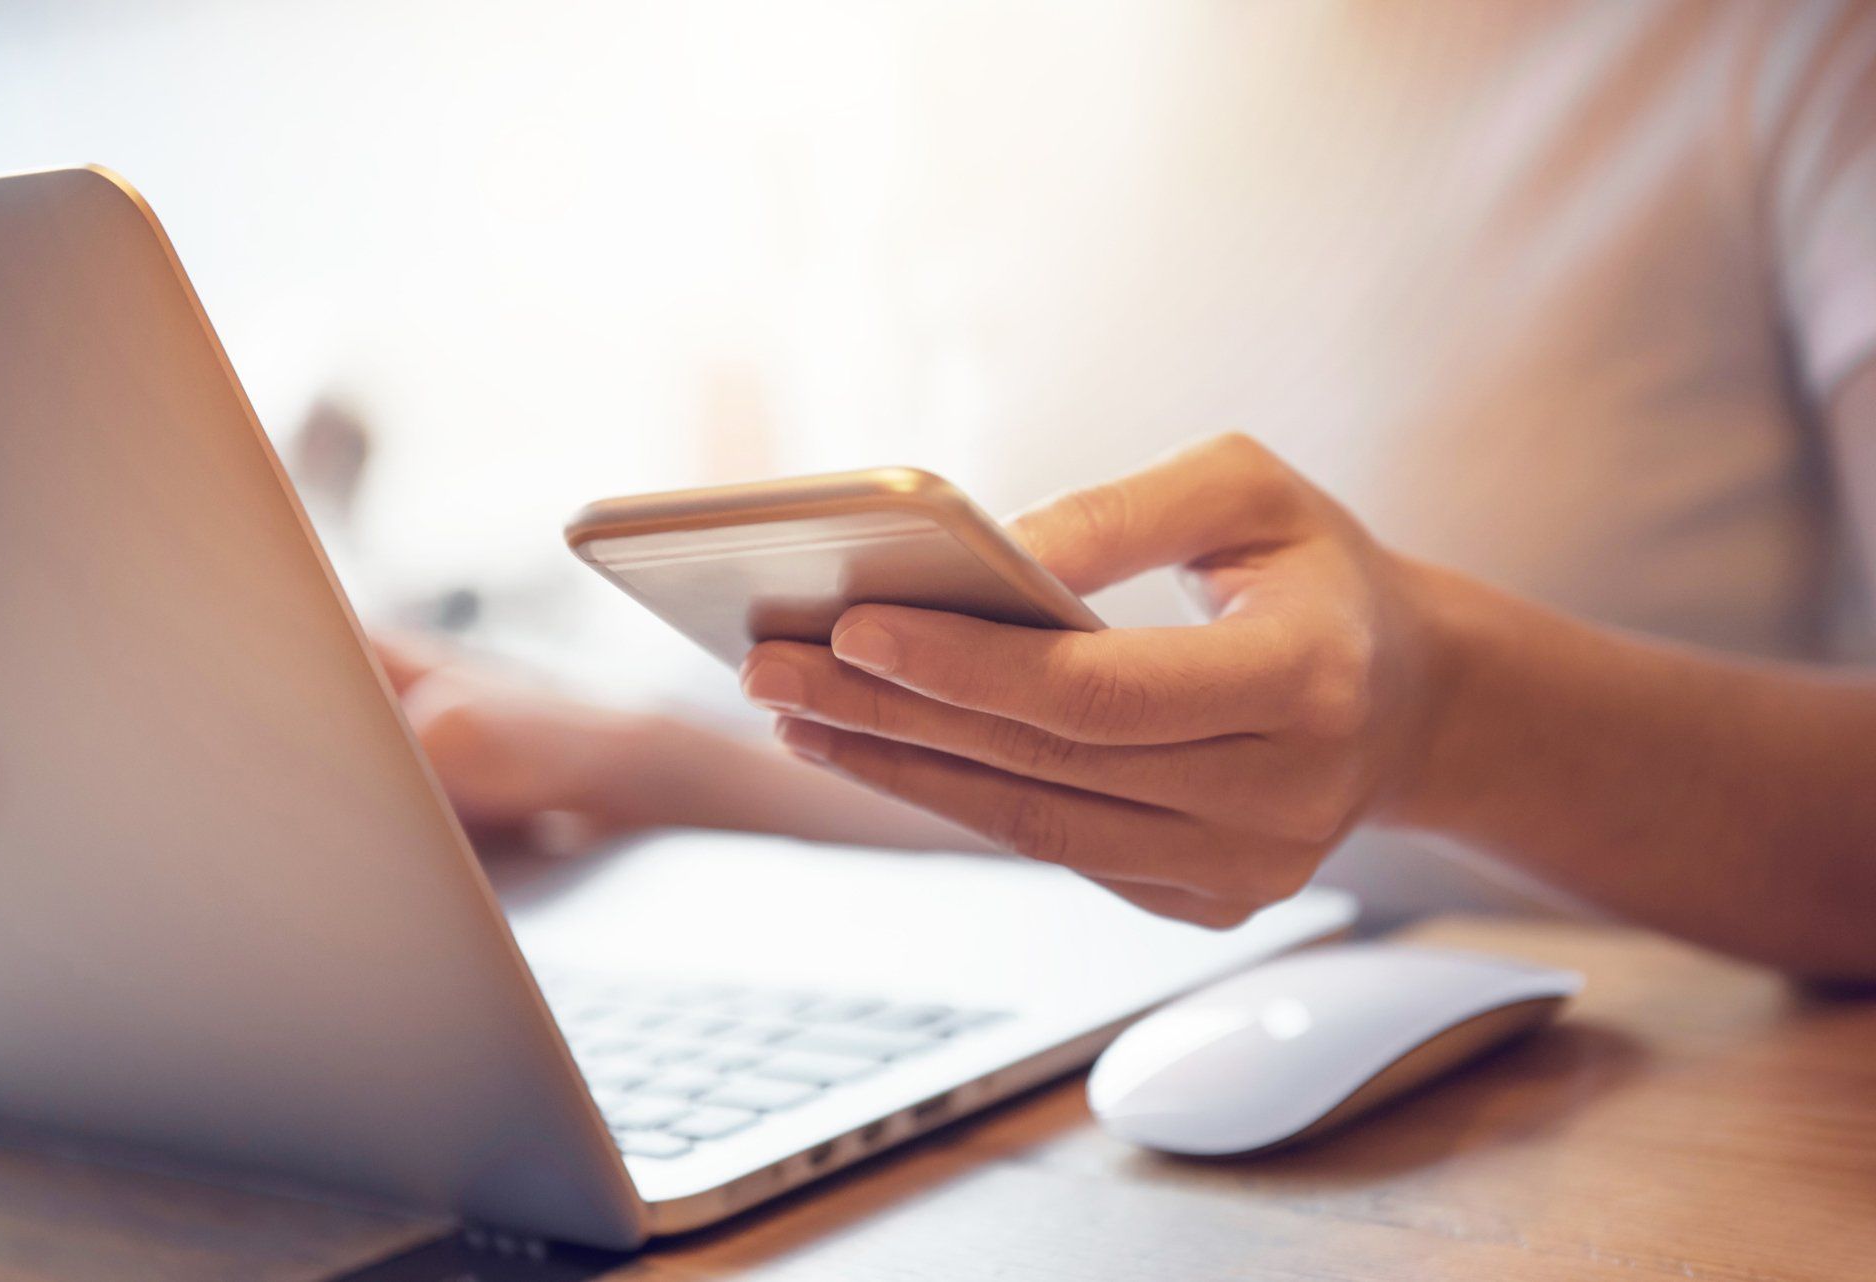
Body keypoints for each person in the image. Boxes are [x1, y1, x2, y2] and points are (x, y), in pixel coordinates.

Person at [373, 3, 1876, 981]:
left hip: (1653, 1122)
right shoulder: (1027, 75)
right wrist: (634, 760)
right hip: (1115, 1082)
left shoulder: (1793, 48)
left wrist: (1444, 714)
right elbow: (1060, 771)